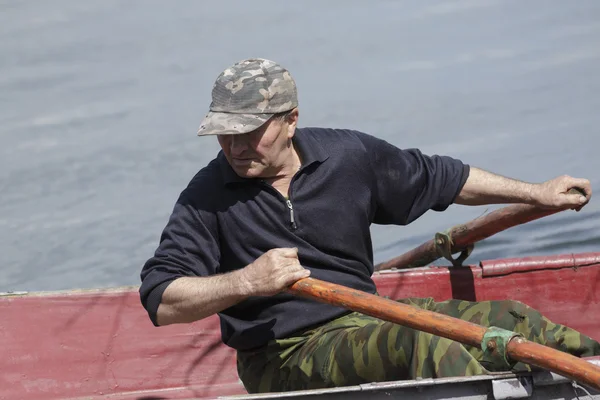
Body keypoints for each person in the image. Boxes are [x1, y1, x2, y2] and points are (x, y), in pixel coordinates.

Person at [140, 58, 599, 393]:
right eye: (225, 133)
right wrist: (247, 280)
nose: (236, 147)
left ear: (291, 120)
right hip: (282, 355)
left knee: (514, 320)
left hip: (367, 313)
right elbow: (161, 301)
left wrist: (536, 193)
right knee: (425, 346)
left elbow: (445, 179)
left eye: (251, 131)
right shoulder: (205, 197)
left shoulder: (346, 157)